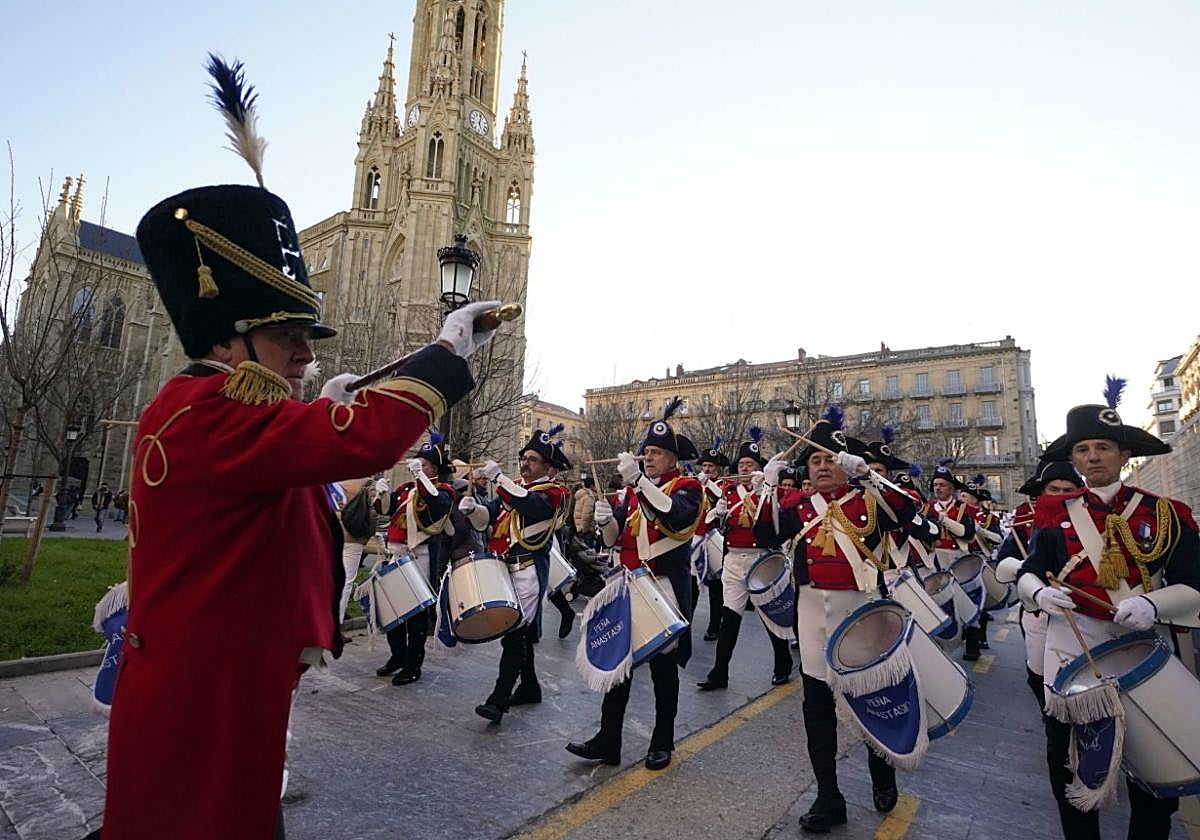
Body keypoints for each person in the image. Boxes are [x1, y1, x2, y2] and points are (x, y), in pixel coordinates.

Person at [96, 54, 494, 840]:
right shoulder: (205, 412)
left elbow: (288, 494)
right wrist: (445, 355)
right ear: (234, 339)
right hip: (204, 698)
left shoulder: (212, 410)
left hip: (217, 685)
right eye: (290, 339)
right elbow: (360, 439)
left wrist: (314, 415)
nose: (308, 356)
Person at [1018, 380, 1200, 840]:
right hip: (1071, 650)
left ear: (1123, 455)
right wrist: (1038, 594)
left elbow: (1196, 582)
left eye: (1103, 447)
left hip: (1143, 650)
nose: (1093, 457)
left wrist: (1151, 602)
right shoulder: (1052, 512)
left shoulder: (1165, 513)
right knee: (1072, 768)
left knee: (1154, 776)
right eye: (1083, 449)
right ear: (1075, 459)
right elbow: (1029, 571)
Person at [761, 407, 926, 833]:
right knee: (817, 709)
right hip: (812, 613)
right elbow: (765, 535)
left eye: (829, 459)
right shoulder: (797, 505)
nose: (821, 466)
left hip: (863, 612)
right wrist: (766, 485)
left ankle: (882, 773)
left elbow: (908, 511)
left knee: (872, 696)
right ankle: (828, 795)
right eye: (814, 461)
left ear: (845, 466)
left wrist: (870, 477)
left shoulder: (869, 498)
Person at [567, 399, 701, 771]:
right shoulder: (632, 493)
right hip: (629, 584)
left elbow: (675, 517)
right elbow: (614, 541)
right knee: (617, 668)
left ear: (673, 459)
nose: (650, 458)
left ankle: (662, 741)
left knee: (662, 671)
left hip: (663, 587)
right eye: (647, 453)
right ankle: (608, 741)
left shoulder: (687, 487)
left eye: (657, 453)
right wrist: (606, 519)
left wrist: (639, 482)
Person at [460, 429, 567, 722]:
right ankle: (530, 687)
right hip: (504, 567)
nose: (525, 464)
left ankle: (499, 699)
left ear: (548, 467)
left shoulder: (553, 492)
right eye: (523, 458)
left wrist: (499, 479)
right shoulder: (516, 488)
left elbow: (530, 506)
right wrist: (473, 511)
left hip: (528, 571)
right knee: (520, 634)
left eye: (532, 460)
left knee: (514, 634)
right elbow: (492, 515)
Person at [697, 428, 794, 691]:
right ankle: (719, 672)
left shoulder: (769, 490)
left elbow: (777, 518)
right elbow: (715, 524)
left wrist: (767, 490)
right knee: (730, 617)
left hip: (762, 559)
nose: (744, 467)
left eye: (749, 464)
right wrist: (717, 514)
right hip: (734, 558)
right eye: (741, 464)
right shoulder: (728, 492)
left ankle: (782, 663)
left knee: (769, 614)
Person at [372, 434, 454, 686]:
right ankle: (397, 656)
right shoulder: (407, 489)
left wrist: (421, 478)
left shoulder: (443, 491)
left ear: (435, 469)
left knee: (416, 616)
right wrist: (382, 494)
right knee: (393, 610)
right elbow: (385, 511)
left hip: (418, 556)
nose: (419, 467)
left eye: (426, 464)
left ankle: (413, 664)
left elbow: (436, 504)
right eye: (419, 463)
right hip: (395, 553)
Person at [693, 439, 729, 641]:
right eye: (704, 466)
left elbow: (725, 500)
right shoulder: (696, 484)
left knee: (716, 587)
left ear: (718, 469)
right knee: (692, 584)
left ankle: (715, 625)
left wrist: (708, 485)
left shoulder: (724, 484)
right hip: (696, 537)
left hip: (716, 537)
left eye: (711, 466)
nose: (707, 469)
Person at [573, 474, 598, 547]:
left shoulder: (581, 494)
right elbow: (587, 514)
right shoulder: (589, 497)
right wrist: (585, 529)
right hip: (585, 529)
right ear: (591, 485)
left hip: (578, 526)